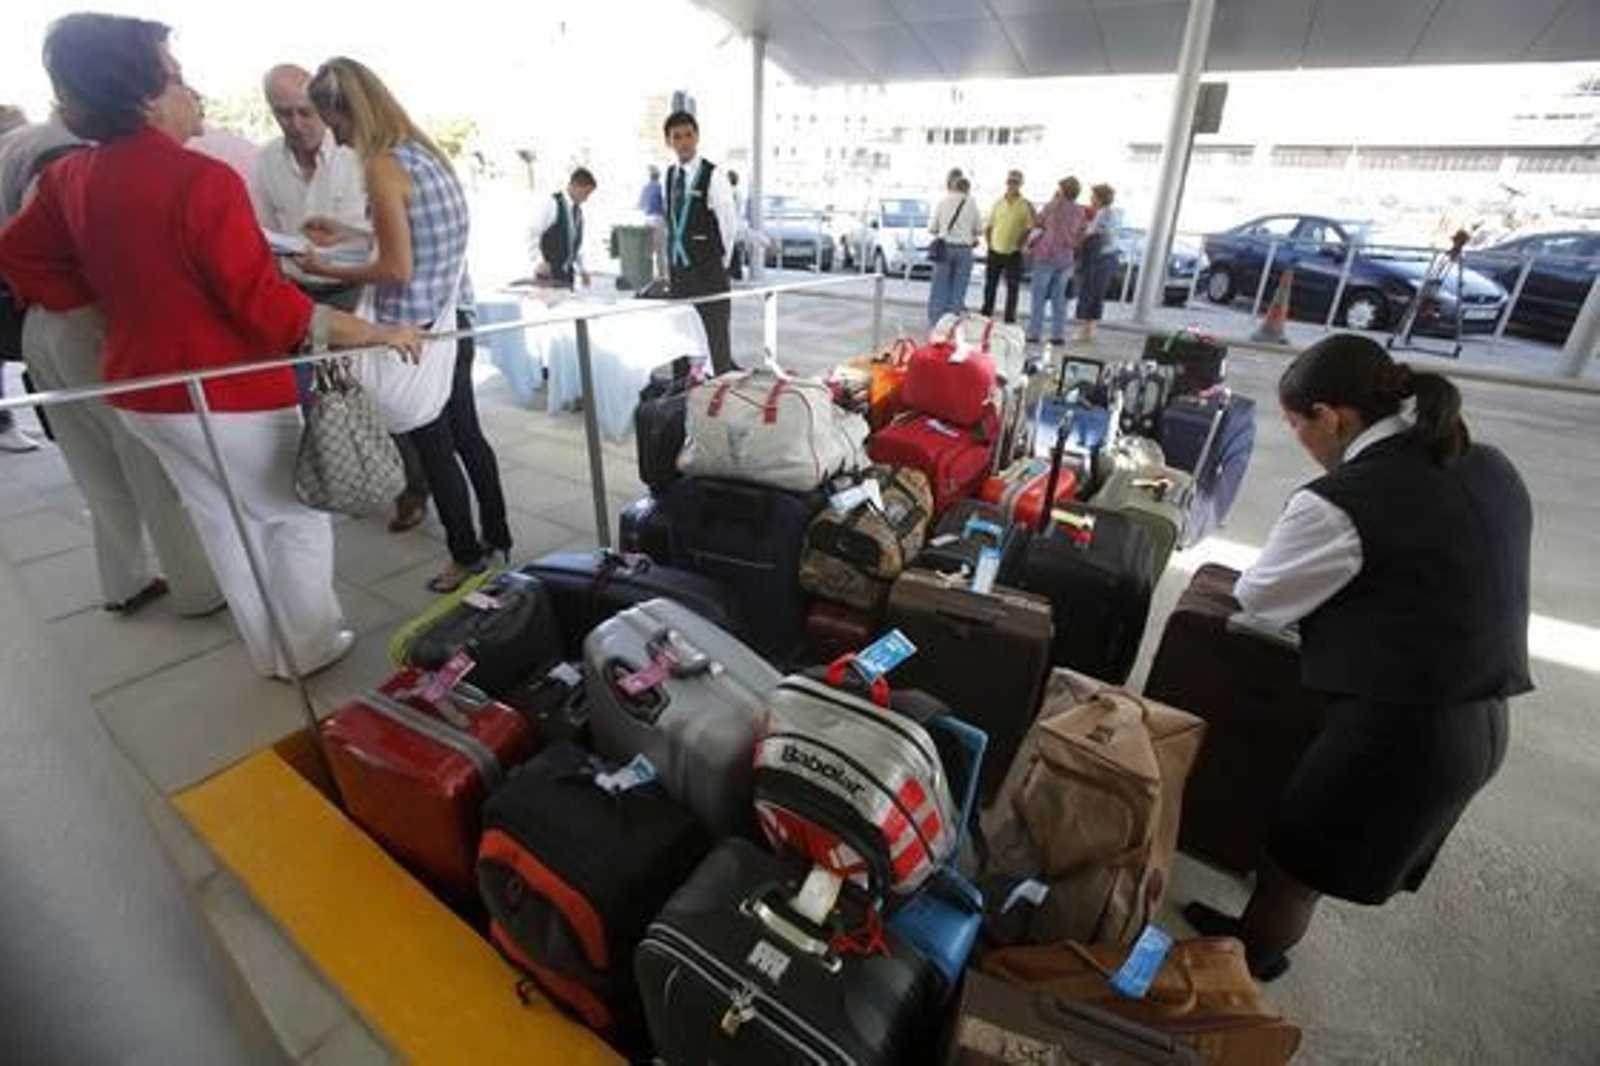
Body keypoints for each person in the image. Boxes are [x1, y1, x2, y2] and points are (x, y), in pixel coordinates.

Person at [0, 13, 422, 678]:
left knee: (225, 522)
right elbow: (268, 307)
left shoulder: (71, 176)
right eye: (175, 78)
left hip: (141, 390)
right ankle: (309, 647)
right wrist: (378, 332)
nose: (191, 92)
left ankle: (271, 652)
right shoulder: (198, 180)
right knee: (293, 518)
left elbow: (21, 256)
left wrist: (112, 310)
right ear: (143, 95)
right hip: (227, 390)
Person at [1182, 333, 1532, 982]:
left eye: (1297, 427)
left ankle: (1247, 966)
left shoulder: (1343, 503)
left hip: (1403, 735)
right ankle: (1254, 946)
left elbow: (1261, 598)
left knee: (1298, 857)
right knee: (1315, 845)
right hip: (1483, 718)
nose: (1302, 444)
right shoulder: (1488, 463)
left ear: (1331, 417)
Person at [302, 56, 510, 593]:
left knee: (433, 447)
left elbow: (397, 266)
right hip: (452, 319)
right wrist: (349, 232)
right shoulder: (425, 155)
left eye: (337, 125)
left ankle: (465, 557)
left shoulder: (382, 166)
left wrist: (328, 267)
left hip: (412, 332)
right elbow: (414, 233)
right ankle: (499, 538)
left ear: (352, 114)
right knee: (468, 437)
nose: (340, 140)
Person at [254, 62, 430, 534]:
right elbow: (263, 229)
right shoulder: (266, 161)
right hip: (303, 292)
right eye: (283, 113)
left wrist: (334, 251)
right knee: (324, 399)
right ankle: (347, 477)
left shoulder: (363, 156)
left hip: (356, 290)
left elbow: (392, 246)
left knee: (376, 397)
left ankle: (408, 488)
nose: (297, 123)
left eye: (305, 111)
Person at [662, 110, 738, 374]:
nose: (684, 141)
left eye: (688, 135)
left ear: (697, 137)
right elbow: (671, 223)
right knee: (680, 335)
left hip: (708, 270)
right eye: (677, 136)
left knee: (714, 333)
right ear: (669, 141)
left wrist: (720, 263)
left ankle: (719, 393)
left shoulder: (713, 174)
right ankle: (681, 394)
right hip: (680, 272)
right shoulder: (670, 175)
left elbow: (728, 224)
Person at [1024, 176, 1087, 346]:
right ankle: (1057, 336)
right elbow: (1082, 233)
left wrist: (1032, 208)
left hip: (1046, 257)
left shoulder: (1053, 206)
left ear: (1062, 191)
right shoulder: (1080, 211)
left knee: (1039, 296)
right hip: (1066, 258)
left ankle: (1034, 333)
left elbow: (1038, 222)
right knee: (1059, 298)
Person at [926, 175, 981, 327]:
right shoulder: (972, 203)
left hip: (945, 249)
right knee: (959, 288)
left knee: (939, 287)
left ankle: (936, 322)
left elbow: (932, 228)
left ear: (954, 186)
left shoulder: (943, 202)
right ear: (968, 189)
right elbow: (979, 229)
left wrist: (945, 230)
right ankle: (952, 323)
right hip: (964, 250)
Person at [1072, 182, 1123, 345]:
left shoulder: (1102, 214)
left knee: (1089, 293)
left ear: (1100, 198)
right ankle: (1091, 330)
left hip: (1098, 259)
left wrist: (1082, 234)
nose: (1091, 199)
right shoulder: (1113, 213)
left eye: (1093, 196)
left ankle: (1084, 331)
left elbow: (1094, 236)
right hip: (1108, 258)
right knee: (1097, 295)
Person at [527, 166, 595, 288]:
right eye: (585, 193)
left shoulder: (578, 212)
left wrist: (583, 270)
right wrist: (538, 261)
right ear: (574, 186)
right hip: (547, 276)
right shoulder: (551, 203)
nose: (586, 199)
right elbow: (532, 232)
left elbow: (574, 246)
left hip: (567, 276)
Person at [981, 169, 1034, 324]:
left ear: (1021, 184)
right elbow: (989, 225)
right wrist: (989, 244)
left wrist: (1022, 243)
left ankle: (1009, 318)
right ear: (1006, 183)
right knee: (990, 285)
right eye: (1010, 181)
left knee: (1013, 287)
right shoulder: (998, 202)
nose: (1012, 184)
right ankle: (986, 314)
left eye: (1015, 182)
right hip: (995, 250)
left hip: (1014, 253)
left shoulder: (1025, 205)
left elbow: (1030, 227)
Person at [638, 164, 667, 280]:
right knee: (660, 250)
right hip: (658, 218)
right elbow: (665, 205)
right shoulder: (660, 187)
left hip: (647, 219)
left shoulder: (645, 188)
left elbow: (640, 205)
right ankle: (662, 276)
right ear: (658, 176)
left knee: (649, 249)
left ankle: (647, 275)